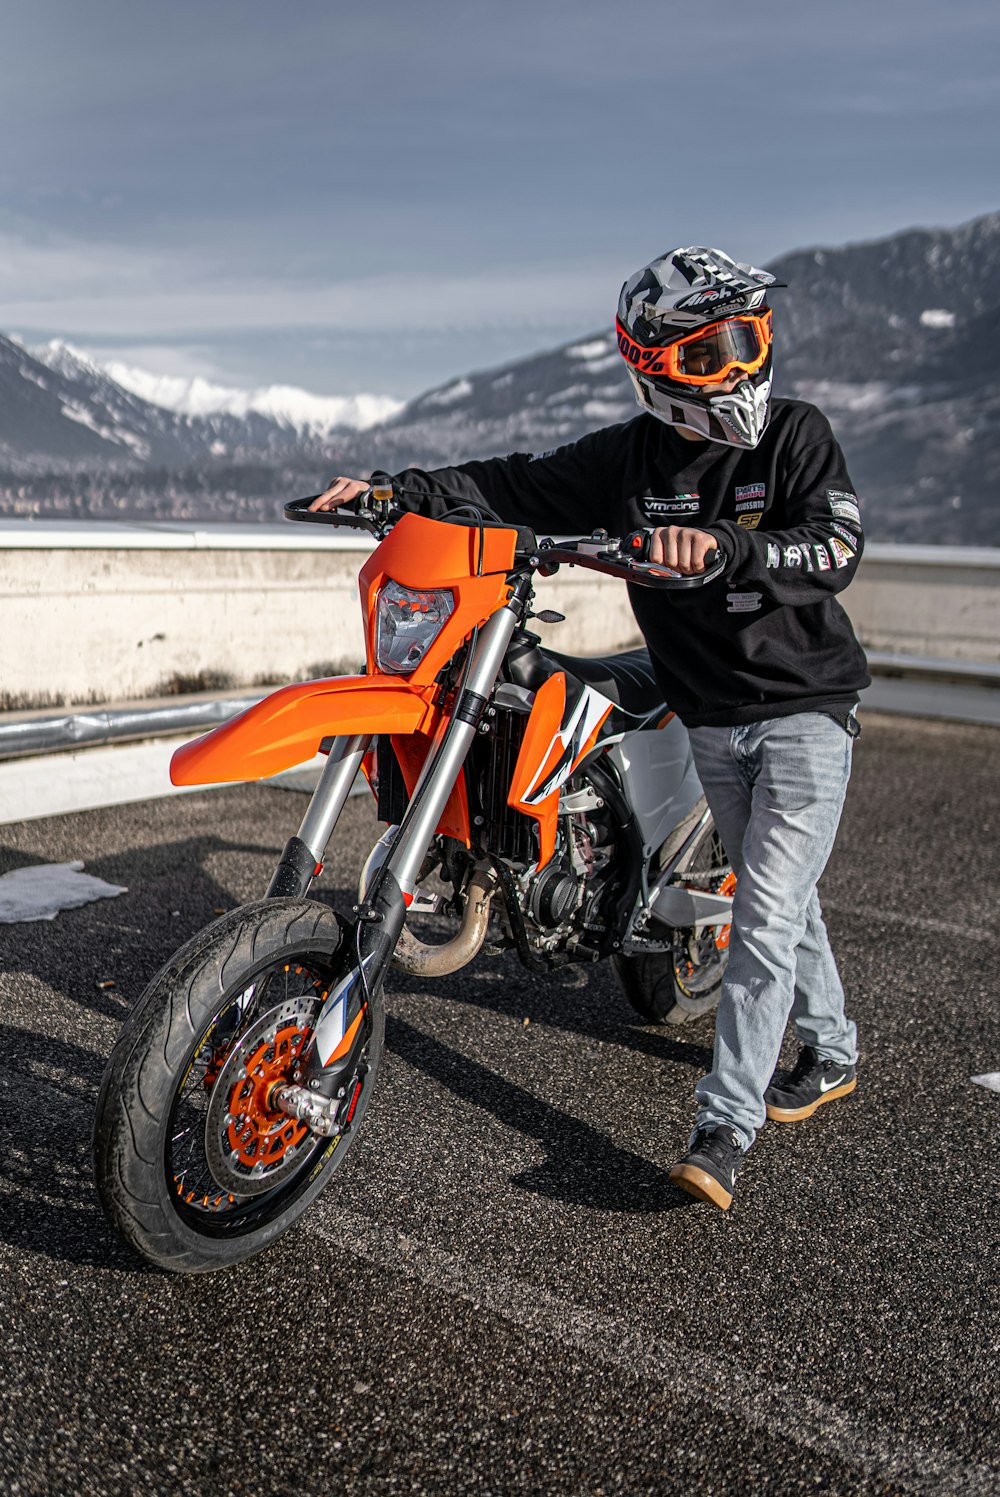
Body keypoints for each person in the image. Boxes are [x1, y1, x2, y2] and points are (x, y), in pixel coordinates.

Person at [311, 245, 870, 1212]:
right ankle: (832, 1049)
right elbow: (515, 483)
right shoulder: (632, 459)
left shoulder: (794, 435)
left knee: (767, 913)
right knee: (785, 896)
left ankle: (723, 1127)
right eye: (711, 350)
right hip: (710, 715)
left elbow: (837, 543)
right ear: (658, 369)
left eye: (750, 337)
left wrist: (731, 546)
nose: (739, 363)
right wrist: (395, 490)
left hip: (805, 712)